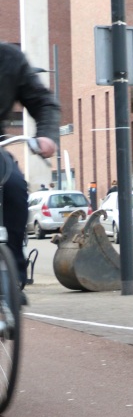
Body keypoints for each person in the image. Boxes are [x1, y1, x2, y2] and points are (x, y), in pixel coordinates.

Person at [0, 42, 60, 286]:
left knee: (14, 186)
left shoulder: (9, 59)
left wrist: (46, 134)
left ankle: (14, 275)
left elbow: (43, 102)